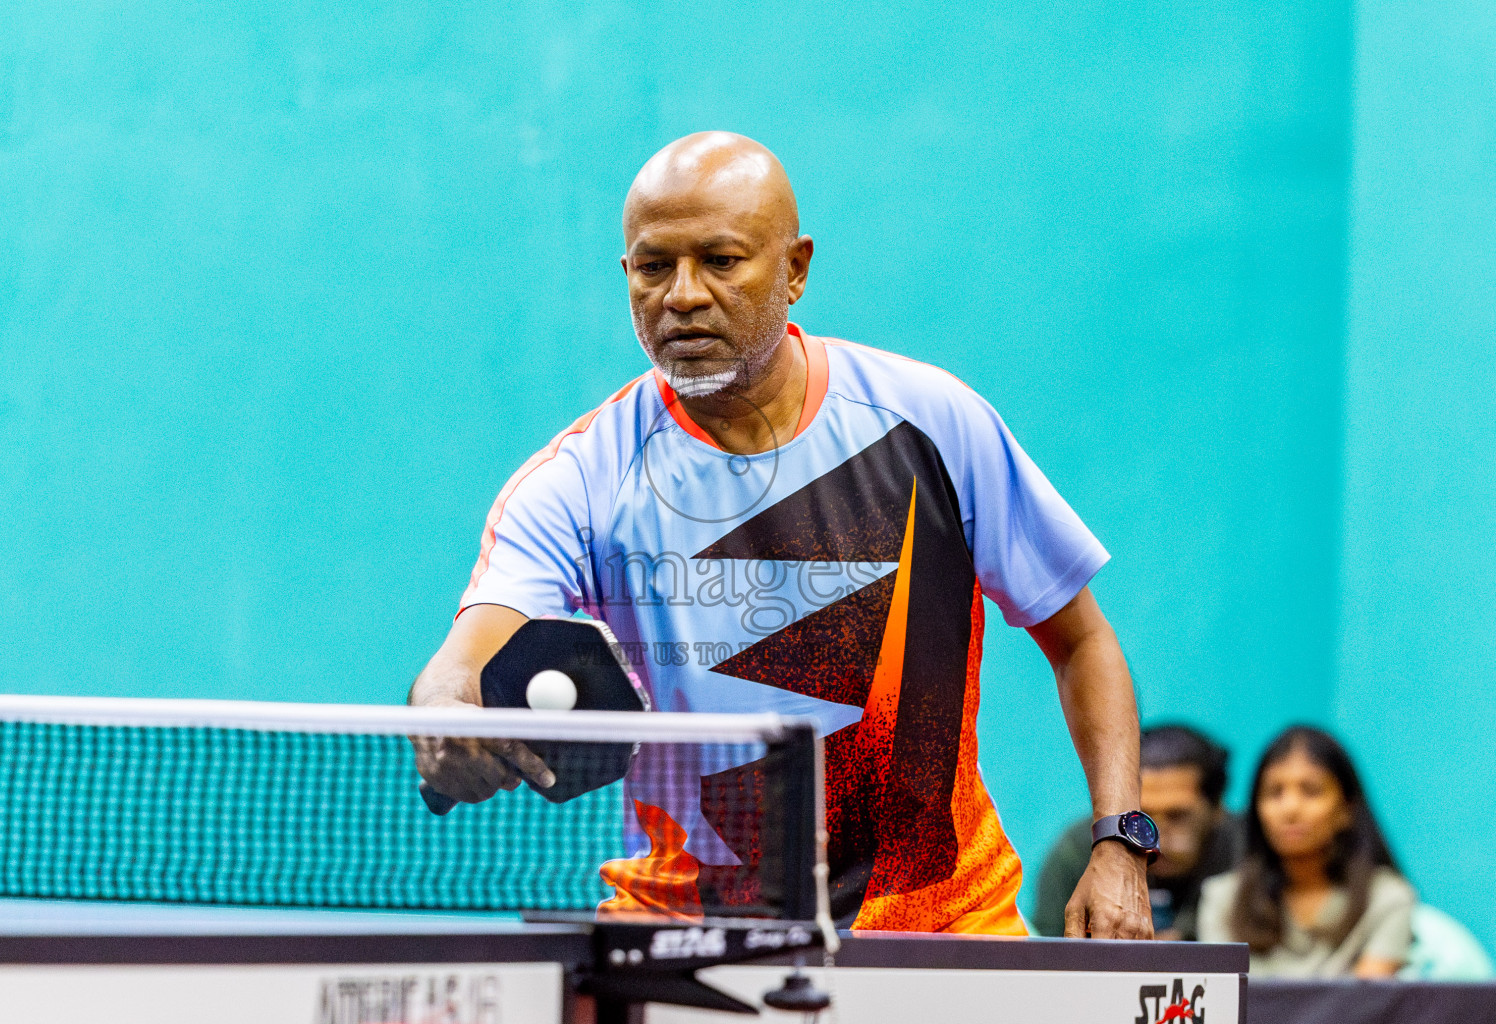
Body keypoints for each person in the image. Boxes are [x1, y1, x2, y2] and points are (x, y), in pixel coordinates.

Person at [411, 131, 1155, 937]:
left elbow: (1082, 643)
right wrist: (445, 717)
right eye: (654, 267)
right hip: (689, 932)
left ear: (795, 268)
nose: (683, 295)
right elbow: (462, 663)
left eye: (721, 261)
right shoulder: (578, 480)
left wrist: (1121, 842)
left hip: (944, 925)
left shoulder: (932, 421)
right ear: (627, 277)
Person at [1197, 726, 1415, 977]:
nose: (1290, 809)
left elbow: (1364, 1008)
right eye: (1274, 792)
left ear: (1346, 809)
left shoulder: (1386, 899)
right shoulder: (1223, 899)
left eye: (1311, 791)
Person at [1033, 725, 1243, 939]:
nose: (1156, 836)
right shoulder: (1080, 848)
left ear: (1217, 808)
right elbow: (1047, 945)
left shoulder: (1251, 848)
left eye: (1177, 816)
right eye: (1142, 817)